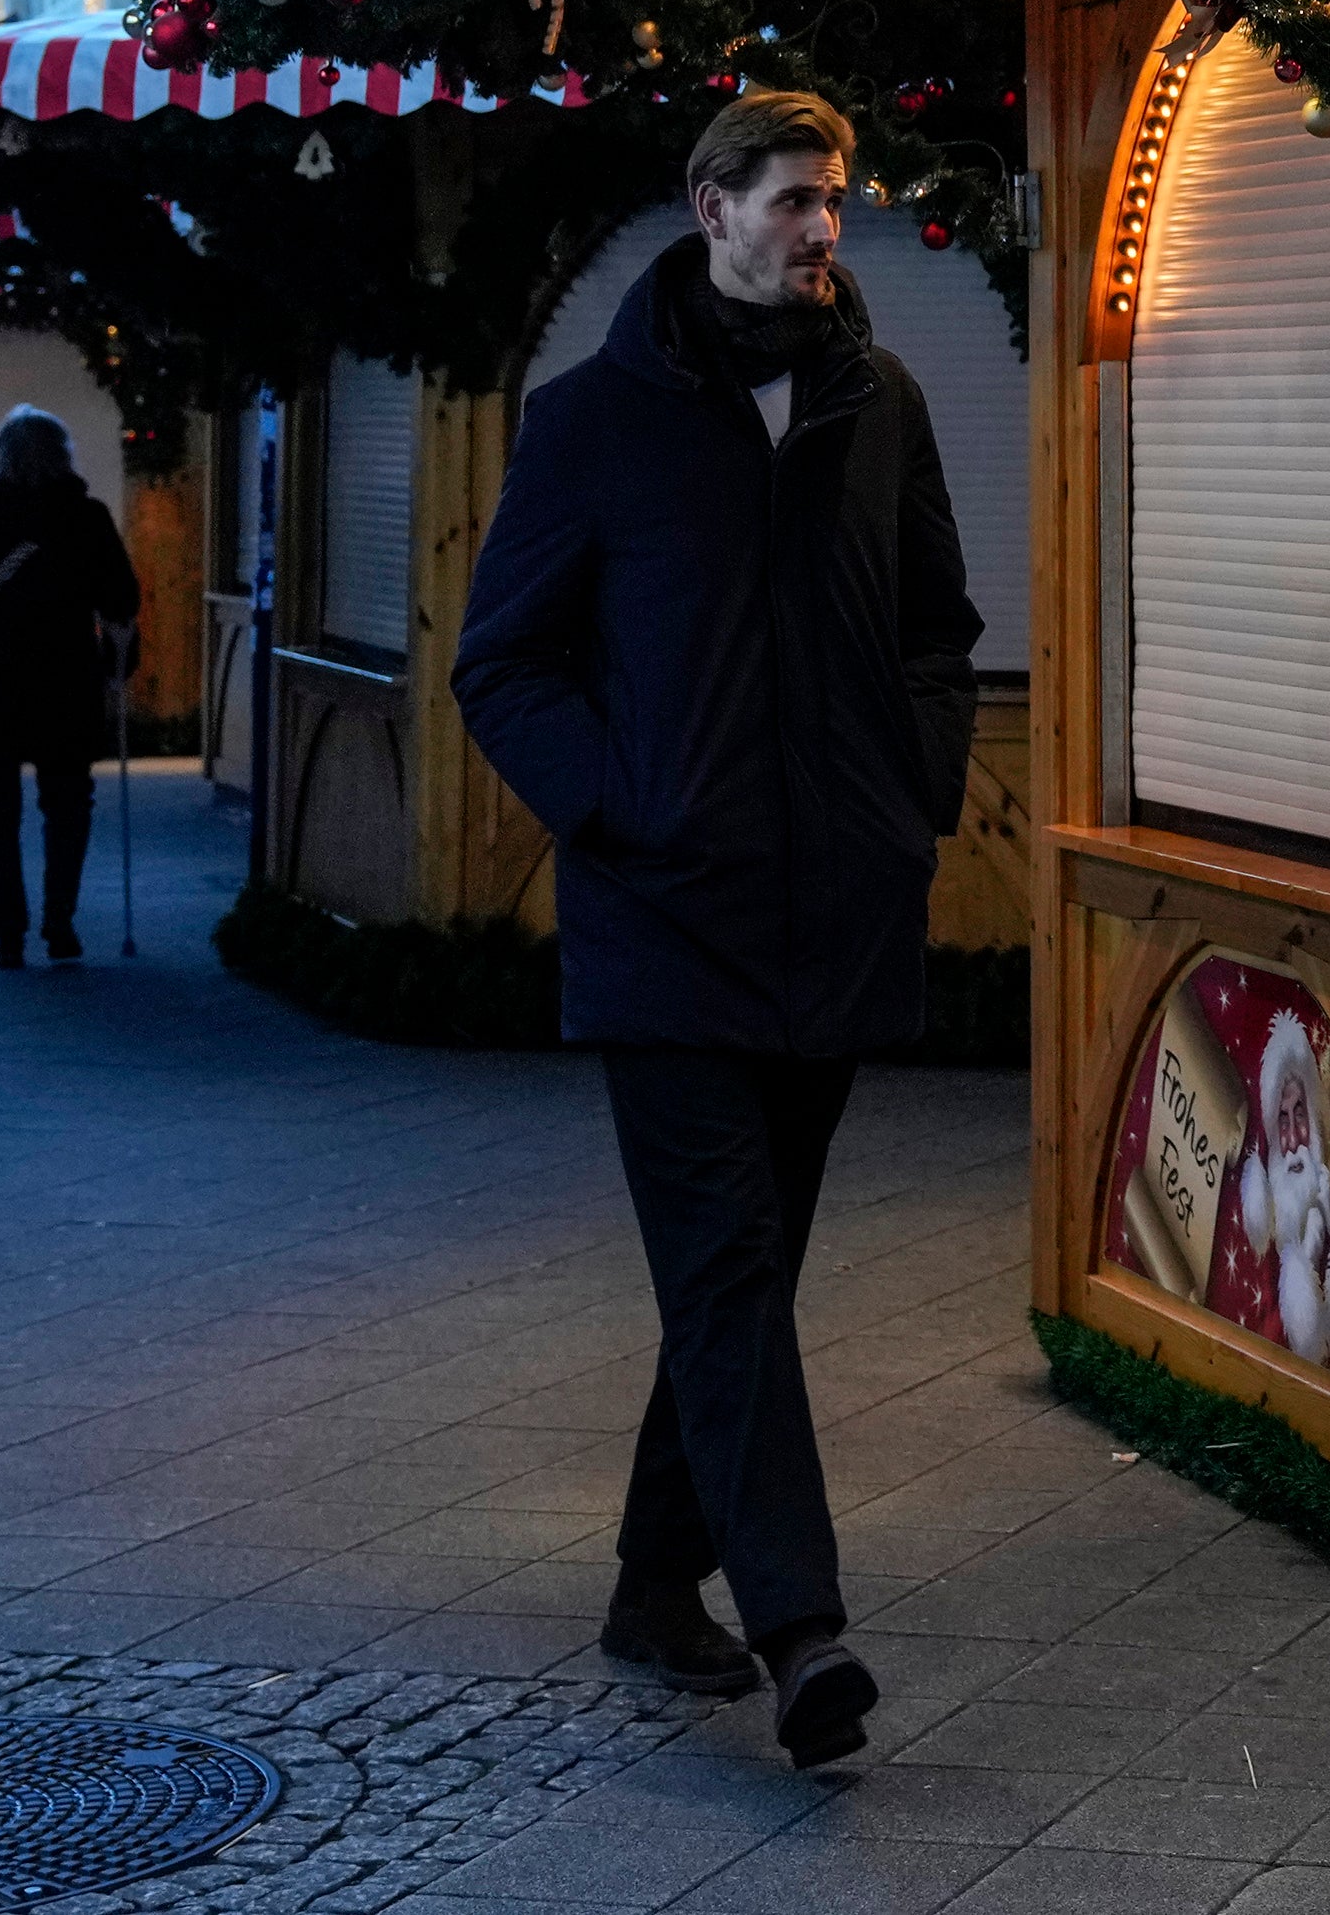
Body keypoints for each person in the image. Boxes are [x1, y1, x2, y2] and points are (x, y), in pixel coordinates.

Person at [456, 90, 980, 1768]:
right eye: (796, 198)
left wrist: (916, 805)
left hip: (833, 910)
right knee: (733, 1264)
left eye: (837, 199)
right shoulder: (590, 421)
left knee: (738, 1275)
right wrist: (622, 806)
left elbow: (932, 629)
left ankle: (644, 1584)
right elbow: (503, 661)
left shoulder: (876, 398)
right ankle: (803, 1627)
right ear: (710, 205)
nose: (825, 226)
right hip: (665, 922)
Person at [0, 408, 136, 968]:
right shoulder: (88, 519)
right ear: (63, 457)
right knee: (67, 804)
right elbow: (122, 603)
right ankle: (60, 922)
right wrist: (115, 662)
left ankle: (7, 935)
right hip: (66, 684)